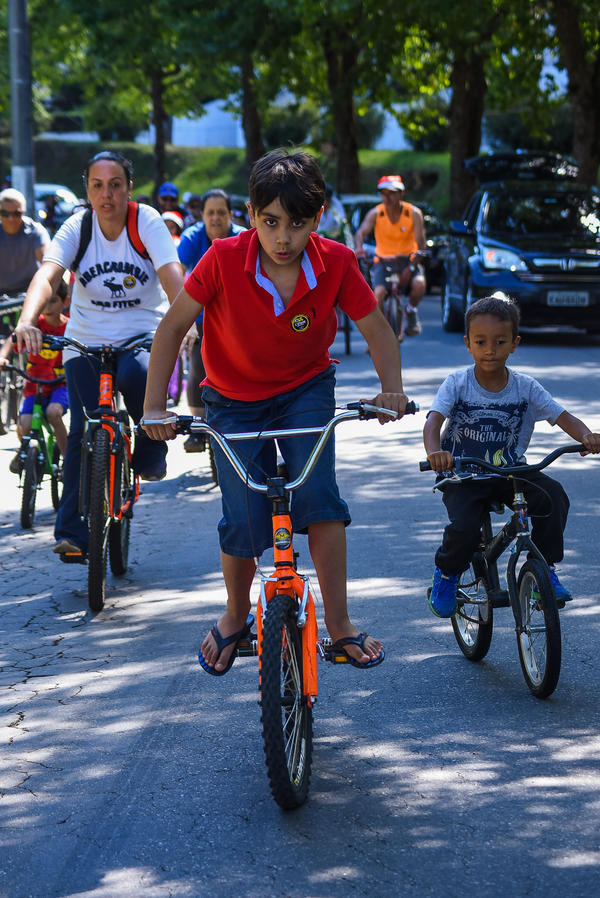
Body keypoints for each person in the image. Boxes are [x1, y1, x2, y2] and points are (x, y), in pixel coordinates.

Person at [142, 148, 409, 673]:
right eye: (270, 222)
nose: (283, 238)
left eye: (297, 224)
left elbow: (377, 330)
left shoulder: (336, 261)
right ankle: (235, 613)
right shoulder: (221, 259)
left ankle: (340, 625)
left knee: (320, 499)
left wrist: (391, 390)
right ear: (250, 215)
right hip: (232, 400)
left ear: (319, 216)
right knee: (242, 514)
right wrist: (155, 407)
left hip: (305, 390)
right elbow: (172, 328)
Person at [13, 150, 184, 562]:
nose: (106, 194)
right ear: (87, 190)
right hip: (85, 341)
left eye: (115, 185)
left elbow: (171, 275)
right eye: (97, 186)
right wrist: (27, 320)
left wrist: (186, 320)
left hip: (140, 334)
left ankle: (150, 446)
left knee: (140, 375)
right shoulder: (78, 226)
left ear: (129, 189)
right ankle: (73, 534)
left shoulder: (146, 222)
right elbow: (48, 274)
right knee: (82, 430)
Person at [423, 294, 600, 617]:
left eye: (500, 341)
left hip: (509, 471)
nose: (490, 349)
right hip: (463, 473)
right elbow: (433, 422)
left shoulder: (525, 387)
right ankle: (446, 573)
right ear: (468, 344)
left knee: (552, 496)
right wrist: (436, 452)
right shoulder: (458, 383)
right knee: (464, 528)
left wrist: (586, 436)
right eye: (481, 341)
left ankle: (544, 568)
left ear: (514, 344)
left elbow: (562, 416)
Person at [177, 188, 246, 452]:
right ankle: (197, 429)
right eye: (210, 213)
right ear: (202, 215)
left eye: (221, 212)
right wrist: (183, 322)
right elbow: (177, 275)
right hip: (201, 316)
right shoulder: (191, 238)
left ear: (230, 214)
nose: (215, 218)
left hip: (237, 317)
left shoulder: (243, 237)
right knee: (198, 364)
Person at [0, 281, 69, 473]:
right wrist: (3, 356)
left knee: (54, 413)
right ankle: (26, 451)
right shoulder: (33, 326)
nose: (48, 307)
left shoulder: (69, 327)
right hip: (35, 385)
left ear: (65, 302)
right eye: (44, 302)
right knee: (24, 425)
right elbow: (13, 339)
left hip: (60, 384)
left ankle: (68, 461)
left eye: (53, 301)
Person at [354, 175, 426, 337]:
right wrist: (359, 247)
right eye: (383, 193)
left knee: (419, 284)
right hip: (383, 261)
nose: (387, 198)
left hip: (408, 260)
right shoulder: (376, 213)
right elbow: (360, 233)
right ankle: (381, 330)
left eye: (391, 193)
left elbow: (421, 244)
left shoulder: (413, 213)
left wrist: (411, 267)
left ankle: (411, 310)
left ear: (401, 194)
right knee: (378, 293)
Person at [0, 188, 50, 296]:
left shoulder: (35, 231)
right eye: (5, 213)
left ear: (23, 212)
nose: (10, 218)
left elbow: (48, 264)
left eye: (16, 213)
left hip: (30, 293)